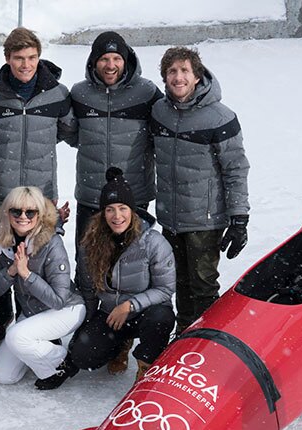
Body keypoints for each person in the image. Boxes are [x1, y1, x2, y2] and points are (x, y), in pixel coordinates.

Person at [34, 168, 176, 390]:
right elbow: (89, 292)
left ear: (133, 211)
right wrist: (75, 352)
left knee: (161, 318)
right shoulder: (90, 243)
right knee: (84, 355)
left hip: (147, 312)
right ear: (102, 213)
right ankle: (119, 344)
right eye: (110, 209)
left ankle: (146, 365)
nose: (117, 216)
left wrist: (130, 305)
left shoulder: (153, 242)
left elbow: (165, 289)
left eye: (122, 208)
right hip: (110, 314)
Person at [151, 46, 250, 333]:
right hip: (170, 217)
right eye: (172, 71)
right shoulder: (159, 112)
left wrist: (239, 218)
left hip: (204, 220)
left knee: (203, 284)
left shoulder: (220, 117)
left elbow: (235, 169)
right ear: (165, 77)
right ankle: (184, 334)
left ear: (197, 76)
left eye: (185, 71)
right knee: (178, 282)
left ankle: (207, 341)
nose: (178, 77)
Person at [66, 31, 162, 250]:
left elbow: (162, 131)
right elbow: (72, 133)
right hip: (91, 193)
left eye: (117, 58)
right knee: (88, 260)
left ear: (125, 61)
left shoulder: (146, 92)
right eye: (104, 59)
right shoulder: (80, 93)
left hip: (134, 195)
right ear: (94, 62)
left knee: (133, 262)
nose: (111, 65)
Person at [0, 186, 85, 386]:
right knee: (3, 375)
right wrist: (11, 271)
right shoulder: (1, 241)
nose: (23, 216)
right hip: (31, 312)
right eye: (16, 211)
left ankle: (62, 363)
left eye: (30, 212)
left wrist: (27, 275)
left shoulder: (52, 243)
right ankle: (39, 346)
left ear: (39, 214)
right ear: (7, 212)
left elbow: (58, 299)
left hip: (66, 309)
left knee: (14, 336)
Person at [0, 27, 74, 207]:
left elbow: (68, 131)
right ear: (7, 58)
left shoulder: (58, 95)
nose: (26, 65)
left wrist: (37, 139)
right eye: (19, 58)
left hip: (41, 195)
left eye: (32, 57)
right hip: (1, 194)